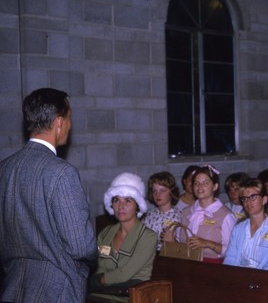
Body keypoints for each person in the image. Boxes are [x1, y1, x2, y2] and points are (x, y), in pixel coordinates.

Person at [0, 88, 97, 302]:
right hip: (56, 289)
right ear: (59, 122)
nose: (71, 126)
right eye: (70, 119)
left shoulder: (4, 169)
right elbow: (81, 245)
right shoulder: (62, 173)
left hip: (13, 286)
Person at [88, 172, 157, 301]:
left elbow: (126, 273)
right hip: (101, 293)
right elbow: (100, 264)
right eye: (116, 200)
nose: (121, 206)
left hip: (129, 296)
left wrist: (99, 279)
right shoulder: (106, 233)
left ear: (137, 206)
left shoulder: (147, 237)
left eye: (128, 201)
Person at [177, 165, 237, 263]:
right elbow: (180, 243)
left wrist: (208, 243)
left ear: (215, 186)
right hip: (186, 264)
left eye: (205, 183)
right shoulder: (186, 212)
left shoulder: (225, 215)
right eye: (196, 183)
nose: (199, 186)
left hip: (212, 268)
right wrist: (171, 239)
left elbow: (233, 251)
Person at [224, 178, 268, 270]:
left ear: (264, 200)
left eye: (253, 197)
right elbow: (230, 259)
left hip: (263, 279)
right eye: (245, 199)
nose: (248, 202)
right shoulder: (238, 229)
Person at [141, 171, 182, 251]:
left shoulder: (179, 216)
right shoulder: (148, 215)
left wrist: (172, 241)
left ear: (171, 192)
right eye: (154, 191)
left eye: (162, 190)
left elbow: (182, 248)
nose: (157, 195)